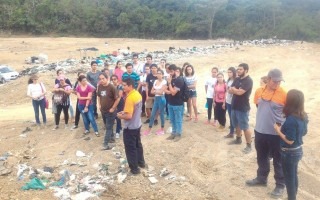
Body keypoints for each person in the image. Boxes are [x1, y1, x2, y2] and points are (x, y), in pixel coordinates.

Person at [246, 69, 287, 198]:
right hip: (260, 131)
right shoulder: (259, 91)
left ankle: (280, 185)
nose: (278, 83)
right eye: (275, 81)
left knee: (278, 160)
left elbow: (288, 112)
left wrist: (281, 125)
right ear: (268, 79)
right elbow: (260, 107)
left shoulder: (284, 94)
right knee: (261, 156)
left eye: (280, 81)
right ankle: (261, 178)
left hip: (276, 135)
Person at [274, 89, 308, 200]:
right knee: (293, 176)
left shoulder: (291, 119)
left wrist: (278, 130)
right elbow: (304, 132)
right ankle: (293, 196)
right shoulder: (303, 116)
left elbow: (289, 140)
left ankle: (291, 198)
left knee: (289, 178)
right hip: (298, 151)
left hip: (289, 153)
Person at [117, 78, 145, 175]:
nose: (123, 87)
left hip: (130, 127)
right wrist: (124, 112)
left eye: (124, 85)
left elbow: (128, 116)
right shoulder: (137, 94)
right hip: (137, 124)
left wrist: (120, 115)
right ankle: (141, 163)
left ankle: (134, 169)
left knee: (130, 148)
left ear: (130, 86)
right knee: (138, 145)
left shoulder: (130, 98)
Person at [228, 63, 253, 153]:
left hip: (243, 107)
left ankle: (249, 145)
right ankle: (238, 139)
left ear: (246, 70)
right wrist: (236, 90)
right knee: (236, 124)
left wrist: (235, 90)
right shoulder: (237, 79)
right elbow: (229, 90)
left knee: (245, 127)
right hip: (234, 105)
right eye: (237, 69)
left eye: (240, 69)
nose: (238, 71)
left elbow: (240, 93)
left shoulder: (248, 80)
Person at [97, 73, 120, 150]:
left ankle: (105, 144)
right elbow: (99, 96)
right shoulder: (100, 86)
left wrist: (113, 108)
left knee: (108, 127)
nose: (101, 80)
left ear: (107, 78)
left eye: (103, 78)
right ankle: (112, 138)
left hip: (110, 111)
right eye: (100, 79)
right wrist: (99, 104)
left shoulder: (112, 87)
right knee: (107, 125)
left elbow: (117, 99)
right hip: (103, 110)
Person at [143, 69, 167, 136]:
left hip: (161, 98)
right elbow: (151, 91)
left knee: (161, 114)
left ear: (162, 75)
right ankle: (149, 129)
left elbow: (161, 92)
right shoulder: (156, 81)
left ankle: (162, 128)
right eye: (158, 73)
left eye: (160, 73)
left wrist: (156, 91)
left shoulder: (164, 82)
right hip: (157, 98)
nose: (158, 75)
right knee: (153, 113)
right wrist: (157, 91)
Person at [165, 64, 185, 142]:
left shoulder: (179, 80)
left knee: (178, 119)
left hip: (178, 103)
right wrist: (170, 90)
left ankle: (178, 134)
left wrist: (169, 85)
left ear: (175, 71)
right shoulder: (171, 79)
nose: (170, 73)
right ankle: (173, 133)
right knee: (172, 119)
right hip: (170, 102)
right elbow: (164, 90)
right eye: (169, 71)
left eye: (171, 71)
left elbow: (173, 92)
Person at [224, 67, 237, 138]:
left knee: (233, 117)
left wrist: (230, 90)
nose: (229, 74)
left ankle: (232, 132)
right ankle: (232, 130)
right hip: (228, 100)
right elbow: (227, 90)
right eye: (228, 72)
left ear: (234, 72)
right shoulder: (228, 80)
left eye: (230, 72)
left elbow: (233, 90)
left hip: (233, 101)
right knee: (230, 116)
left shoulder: (236, 80)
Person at [111, 74, 125, 139]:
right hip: (113, 102)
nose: (114, 81)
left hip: (119, 102)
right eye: (112, 79)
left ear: (117, 80)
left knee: (118, 116)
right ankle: (120, 128)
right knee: (114, 116)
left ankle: (117, 132)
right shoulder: (111, 86)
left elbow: (119, 96)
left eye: (115, 79)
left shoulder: (120, 87)